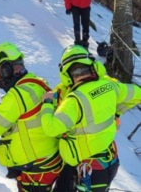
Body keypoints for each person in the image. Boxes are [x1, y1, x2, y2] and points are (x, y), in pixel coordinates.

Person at [41, 45, 141, 192]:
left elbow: (51, 128)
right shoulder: (110, 86)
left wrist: (47, 103)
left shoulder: (73, 101)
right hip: (107, 163)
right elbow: (138, 93)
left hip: (87, 170)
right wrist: (116, 112)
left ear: (66, 74)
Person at [0, 42, 62, 192]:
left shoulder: (18, 96)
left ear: (5, 70)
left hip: (36, 171)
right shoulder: (37, 82)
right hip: (50, 161)